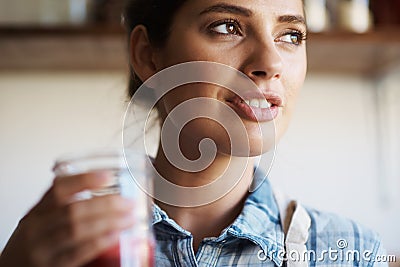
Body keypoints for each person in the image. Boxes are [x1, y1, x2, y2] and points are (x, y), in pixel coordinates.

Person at [0, 0, 388, 266]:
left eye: (291, 36)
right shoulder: (69, 247)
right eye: (227, 26)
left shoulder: (351, 251)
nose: (270, 63)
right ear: (148, 55)